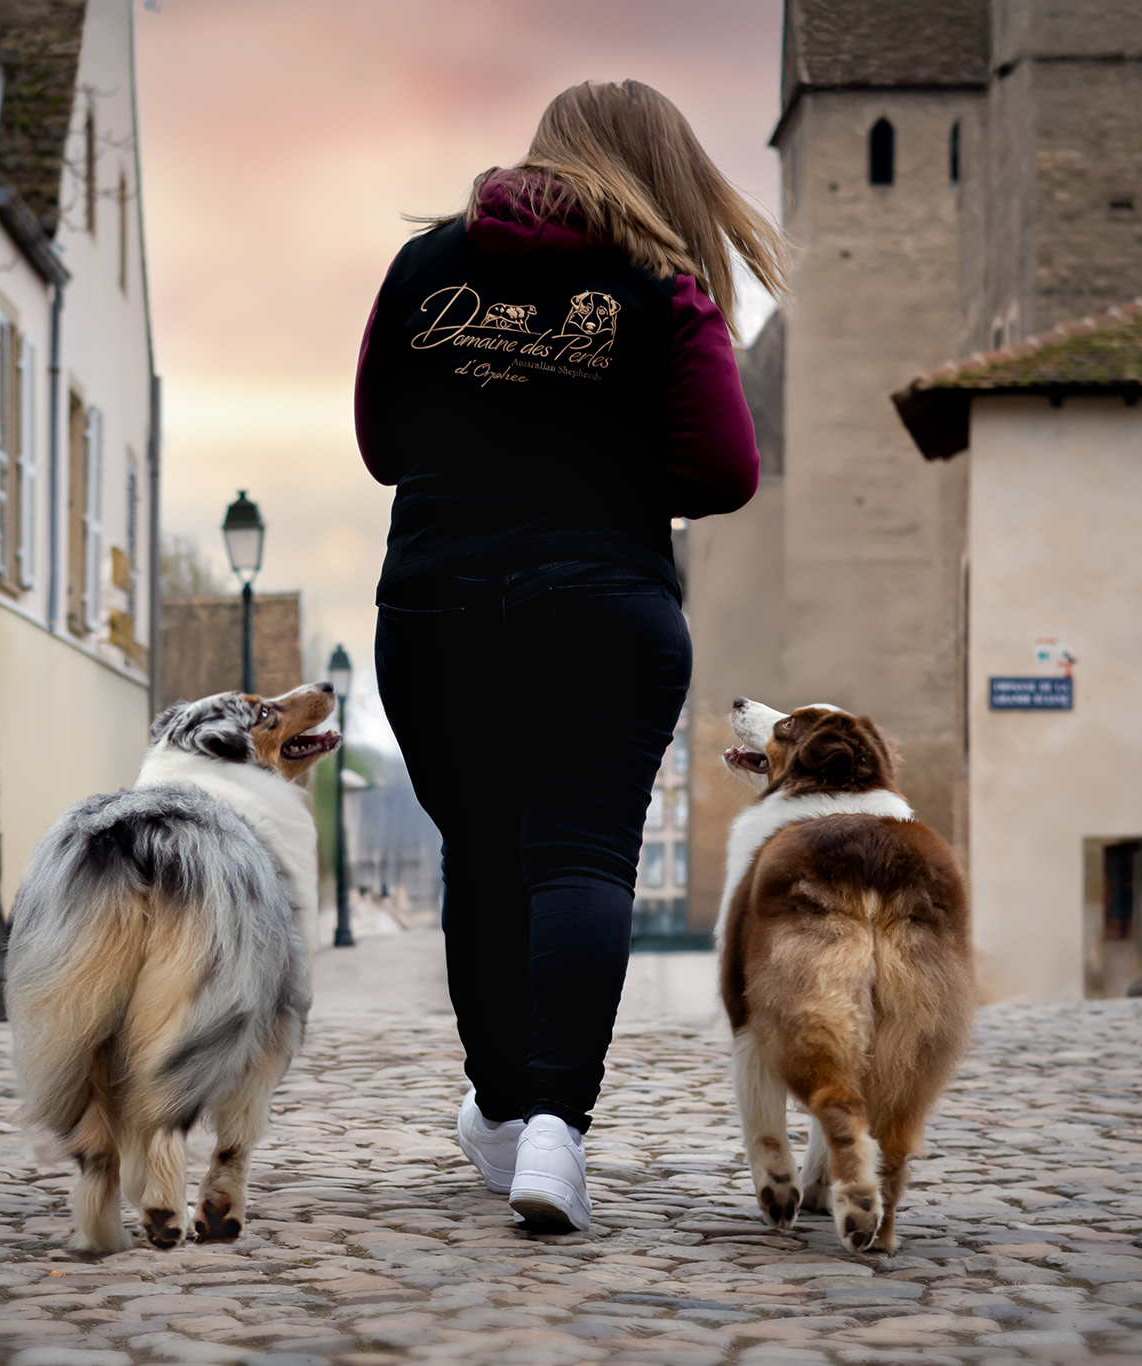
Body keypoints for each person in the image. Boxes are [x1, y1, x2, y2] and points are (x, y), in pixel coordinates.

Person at [354, 79, 784, 1230]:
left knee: (481, 855)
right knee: (580, 857)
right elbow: (725, 470)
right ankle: (554, 1131)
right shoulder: (661, 285)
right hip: (599, 602)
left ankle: (500, 1113)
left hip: (435, 605)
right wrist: (607, 458)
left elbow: (383, 445)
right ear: (663, 174)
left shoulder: (423, 265)